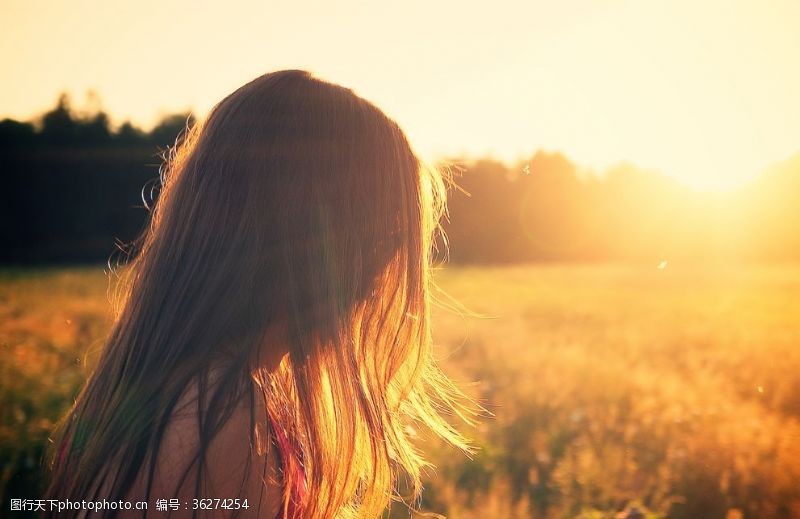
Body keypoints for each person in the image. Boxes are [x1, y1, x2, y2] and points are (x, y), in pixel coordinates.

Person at [45, 70, 479, 518]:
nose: (382, 277)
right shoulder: (221, 418)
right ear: (320, 243)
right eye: (387, 237)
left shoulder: (159, 388)